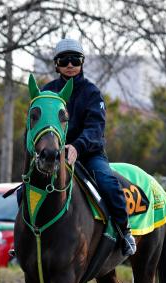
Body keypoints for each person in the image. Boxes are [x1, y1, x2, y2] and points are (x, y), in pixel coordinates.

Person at [39, 38, 136, 256]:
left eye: (76, 59)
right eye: (64, 60)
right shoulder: (47, 91)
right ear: (56, 64)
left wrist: (77, 147)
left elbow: (95, 129)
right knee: (25, 190)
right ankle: (25, 241)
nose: (70, 64)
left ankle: (124, 232)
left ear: (82, 62)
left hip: (88, 155)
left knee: (108, 183)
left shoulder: (92, 92)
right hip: (54, 156)